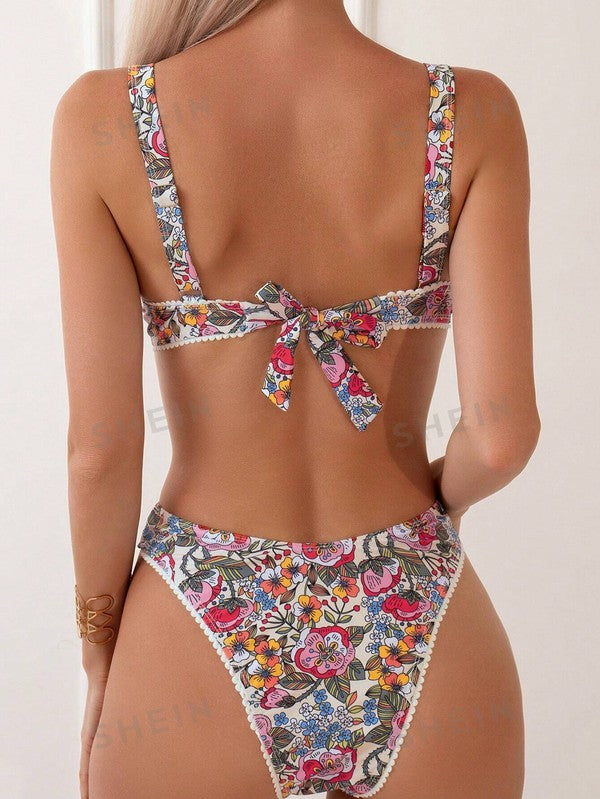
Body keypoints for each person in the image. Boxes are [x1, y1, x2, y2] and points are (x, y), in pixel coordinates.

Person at [50, 1, 540, 797]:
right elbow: (501, 438)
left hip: (197, 615)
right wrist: (433, 512)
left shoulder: (106, 118)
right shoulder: (470, 112)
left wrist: (99, 644)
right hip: (414, 607)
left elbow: (99, 452)